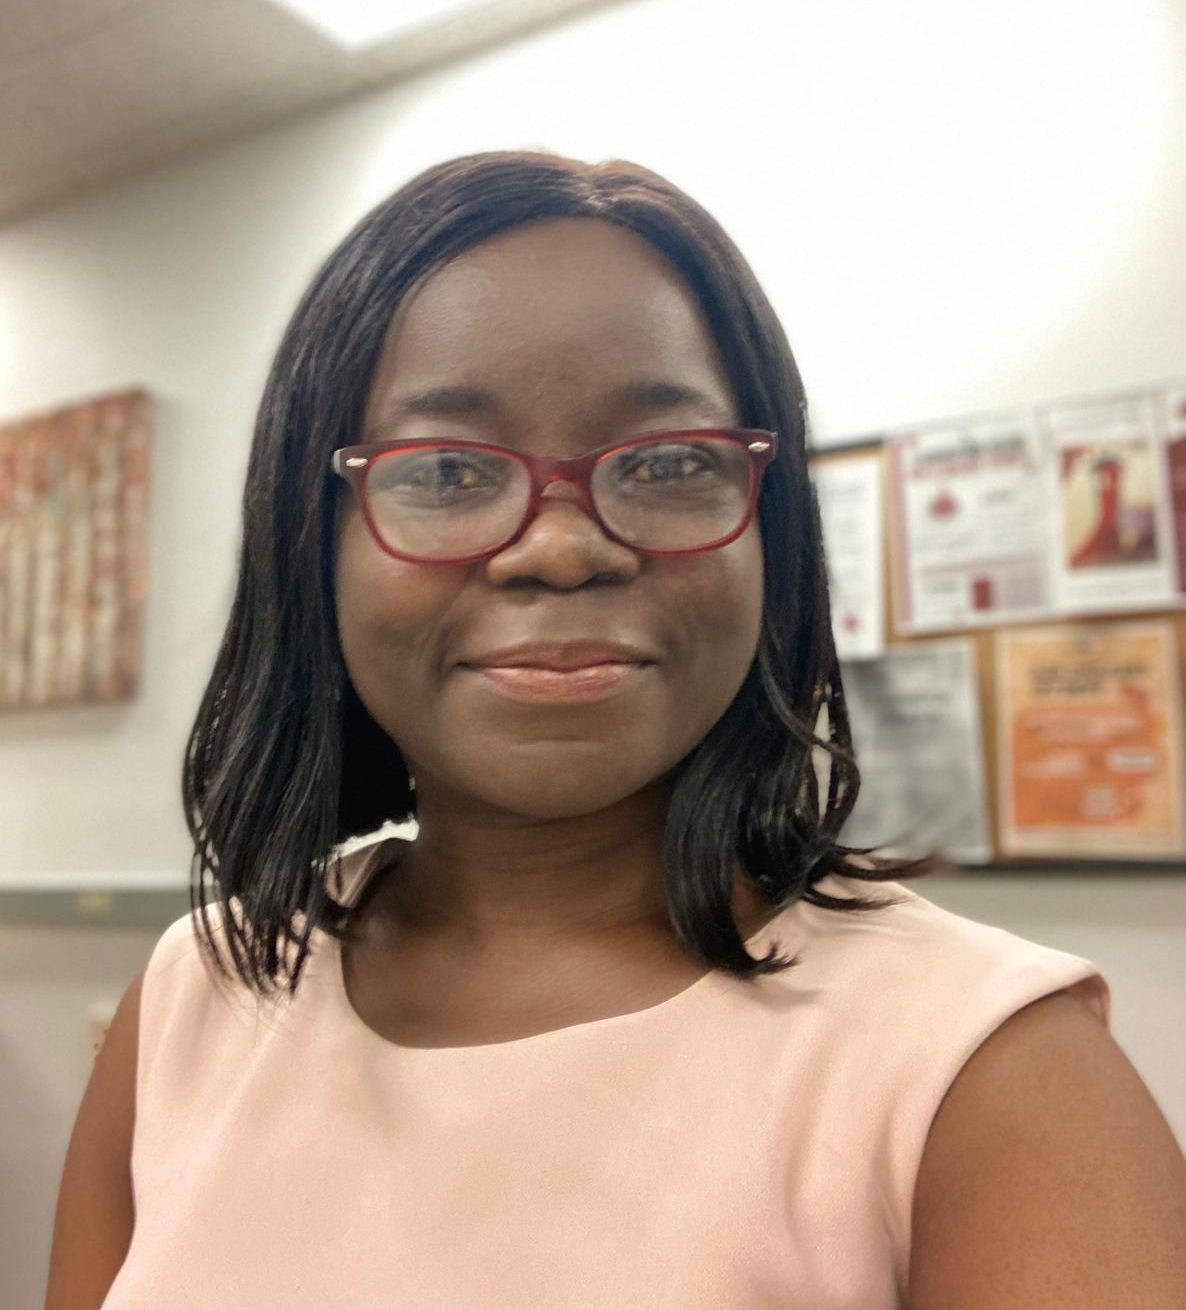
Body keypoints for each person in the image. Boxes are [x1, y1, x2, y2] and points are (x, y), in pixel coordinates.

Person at [46, 151, 1186, 1309]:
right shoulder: (199, 993)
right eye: (444, 469)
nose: (561, 545)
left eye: (669, 462)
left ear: (771, 537)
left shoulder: (983, 1070)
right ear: (310, 538)